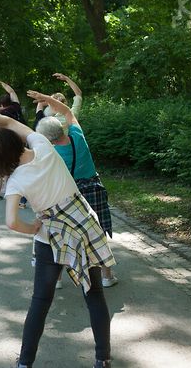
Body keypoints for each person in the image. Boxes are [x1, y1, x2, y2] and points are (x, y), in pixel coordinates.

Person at [0, 113, 115, 368]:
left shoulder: (17, 181)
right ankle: (102, 358)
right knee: (94, 294)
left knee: (41, 300)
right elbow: (6, 122)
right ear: (17, 143)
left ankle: (25, 363)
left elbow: (11, 222)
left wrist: (32, 228)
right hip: (82, 226)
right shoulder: (43, 145)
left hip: (49, 236)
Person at [29, 90, 118, 288]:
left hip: (69, 194)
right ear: (62, 129)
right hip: (93, 188)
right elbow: (68, 111)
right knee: (98, 232)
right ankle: (107, 276)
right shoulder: (77, 135)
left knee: (64, 235)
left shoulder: (51, 153)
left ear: (48, 139)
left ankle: (58, 279)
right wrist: (47, 97)